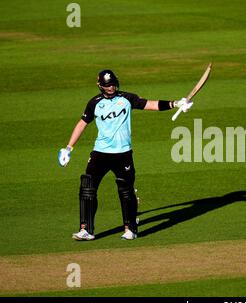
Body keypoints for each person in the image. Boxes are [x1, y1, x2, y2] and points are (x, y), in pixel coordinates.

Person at [58, 69, 193, 241]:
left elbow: (150, 104)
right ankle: (86, 230)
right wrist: (69, 148)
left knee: (126, 191)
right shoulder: (94, 103)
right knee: (87, 188)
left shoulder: (127, 98)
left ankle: (131, 229)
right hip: (100, 153)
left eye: (113, 84)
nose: (111, 87)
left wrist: (175, 104)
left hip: (122, 154)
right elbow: (82, 124)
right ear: (100, 86)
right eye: (107, 85)